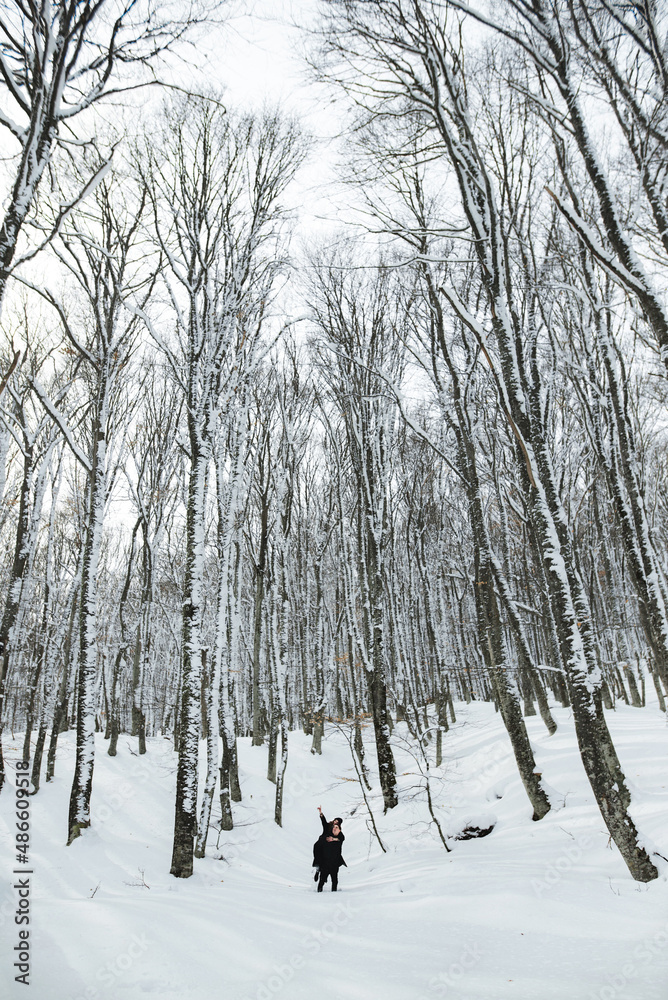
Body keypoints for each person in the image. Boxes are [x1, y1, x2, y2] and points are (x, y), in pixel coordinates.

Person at [313, 805, 346, 892]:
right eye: (335, 821)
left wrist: (334, 839)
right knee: (317, 848)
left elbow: (342, 838)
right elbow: (323, 822)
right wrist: (321, 813)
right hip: (323, 841)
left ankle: (333, 891)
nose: (335, 823)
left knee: (334, 878)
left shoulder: (340, 834)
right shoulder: (328, 827)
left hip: (334, 861)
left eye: (337, 823)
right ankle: (318, 868)